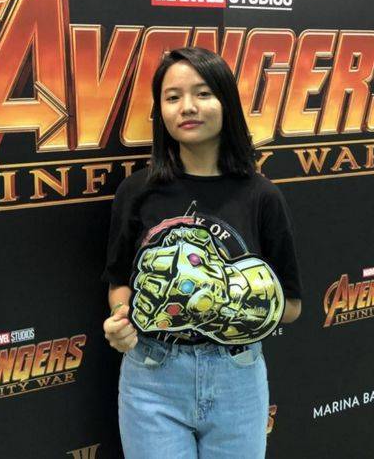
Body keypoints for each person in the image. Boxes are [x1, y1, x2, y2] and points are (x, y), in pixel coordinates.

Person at [101, 47, 303, 459]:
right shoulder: (136, 192)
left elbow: (292, 305)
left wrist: (228, 302)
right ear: (160, 110)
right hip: (152, 376)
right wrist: (121, 321)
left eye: (203, 93)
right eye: (172, 97)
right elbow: (120, 281)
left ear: (225, 102)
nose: (188, 107)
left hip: (237, 377)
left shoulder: (261, 196)